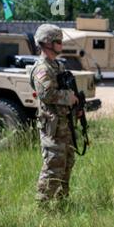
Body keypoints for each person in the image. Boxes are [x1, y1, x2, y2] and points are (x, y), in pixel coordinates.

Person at [30, 24, 79, 209]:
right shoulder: (42, 68)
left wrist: (76, 105)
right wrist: (69, 98)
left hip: (64, 123)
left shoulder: (57, 65)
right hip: (52, 125)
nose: (61, 44)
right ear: (47, 43)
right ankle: (42, 206)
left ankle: (61, 202)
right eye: (58, 41)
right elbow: (47, 94)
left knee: (67, 162)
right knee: (53, 164)